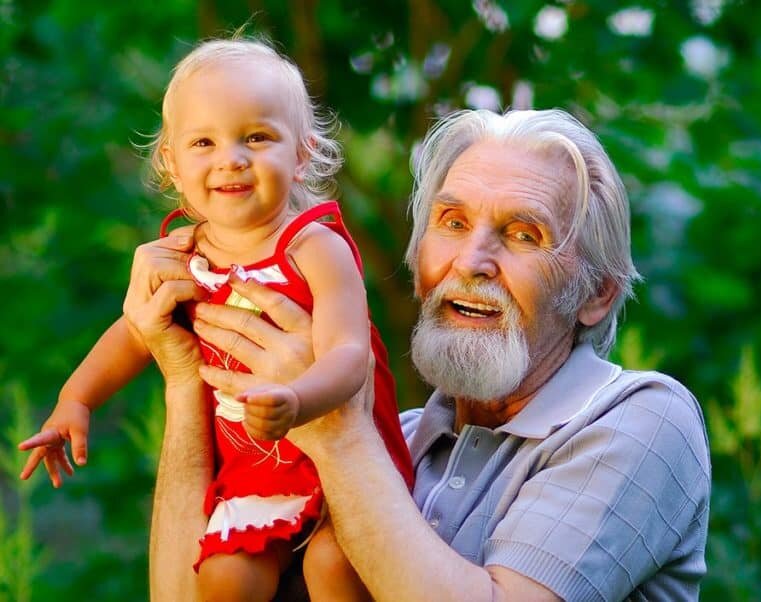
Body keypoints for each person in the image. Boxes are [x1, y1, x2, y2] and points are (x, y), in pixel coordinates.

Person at [129, 108, 711, 601]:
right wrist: (186, 379)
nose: (471, 261)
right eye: (452, 223)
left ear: (597, 294)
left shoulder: (641, 418)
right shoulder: (395, 444)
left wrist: (335, 430)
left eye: (523, 234)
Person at [19, 37, 413, 601]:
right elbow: (135, 332)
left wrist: (299, 401)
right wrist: (76, 399)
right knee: (224, 579)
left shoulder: (314, 247)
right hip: (254, 472)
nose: (231, 158)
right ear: (173, 166)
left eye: (256, 137)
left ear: (302, 155)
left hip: (341, 467)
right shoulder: (184, 257)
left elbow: (349, 356)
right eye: (203, 141)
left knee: (336, 567)